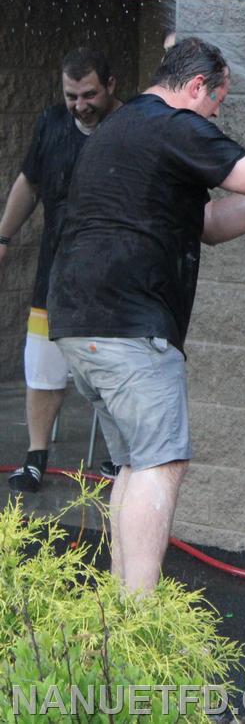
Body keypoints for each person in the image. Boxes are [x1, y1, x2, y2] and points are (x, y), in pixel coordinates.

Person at [47, 37, 245, 594]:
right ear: (196, 86)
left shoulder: (128, 126)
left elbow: (210, 222)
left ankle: (119, 613)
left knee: (136, 463)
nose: (216, 115)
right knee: (161, 463)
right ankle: (140, 616)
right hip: (129, 324)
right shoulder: (176, 124)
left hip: (83, 322)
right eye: (216, 102)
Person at [2, 47, 122, 493]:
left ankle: (121, 460)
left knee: (111, 369)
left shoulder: (129, 126)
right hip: (55, 269)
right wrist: (2, 237)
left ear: (110, 86)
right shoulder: (52, 123)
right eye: (72, 95)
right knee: (42, 365)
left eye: (89, 94)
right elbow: (29, 182)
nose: (80, 105)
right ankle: (35, 458)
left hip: (114, 275)